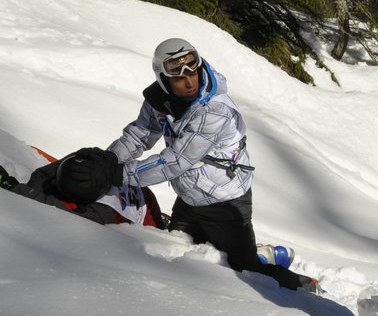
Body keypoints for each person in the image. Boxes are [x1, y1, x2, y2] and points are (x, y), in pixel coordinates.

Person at [93, 38, 316, 292]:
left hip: (225, 202)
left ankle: (302, 286)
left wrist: (119, 174)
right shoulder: (160, 102)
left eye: (193, 72)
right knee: (181, 249)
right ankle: (257, 251)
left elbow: (176, 162)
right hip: (190, 197)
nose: (189, 82)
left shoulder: (215, 110)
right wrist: (107, 160)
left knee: (246, 272)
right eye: (178, 77)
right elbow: (139, 136)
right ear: (164, 80)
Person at [0, 148, 166, 228]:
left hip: (152, 224)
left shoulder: (103, 213)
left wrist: (12, 187)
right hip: (133, 194)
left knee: (64, 208)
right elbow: (44, 175)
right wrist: (31, 188)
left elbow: (63, 215)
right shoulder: (88, 159)